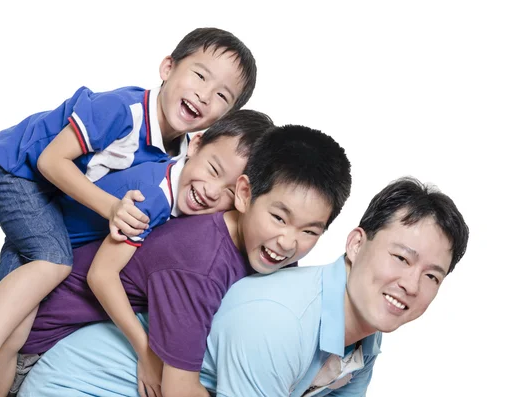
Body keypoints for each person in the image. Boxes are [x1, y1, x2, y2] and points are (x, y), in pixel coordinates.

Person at [0, 26, 257, 397]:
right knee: (53, 261)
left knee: (17, 328)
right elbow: (50, 161)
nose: (204, 95)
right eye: (199, 75)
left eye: (222, 95)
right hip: (15, 170)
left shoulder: (183, 154)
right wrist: (112, 208)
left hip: (56, 203)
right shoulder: (122, 112)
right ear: (167, 67)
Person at [18, 177, 468, 397]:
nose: (410, 284)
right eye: (401, 258)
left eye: (432, 276)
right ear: (355, 243)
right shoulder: (280, 320)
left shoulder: (363, 341)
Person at [18, 124, 351, 397]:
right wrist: (147, 352)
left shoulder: (260, 245)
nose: (288, 243)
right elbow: (178, 390)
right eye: (279, 218)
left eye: (309, 232)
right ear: (245, 195)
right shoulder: (198, 261)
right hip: (43, 340)